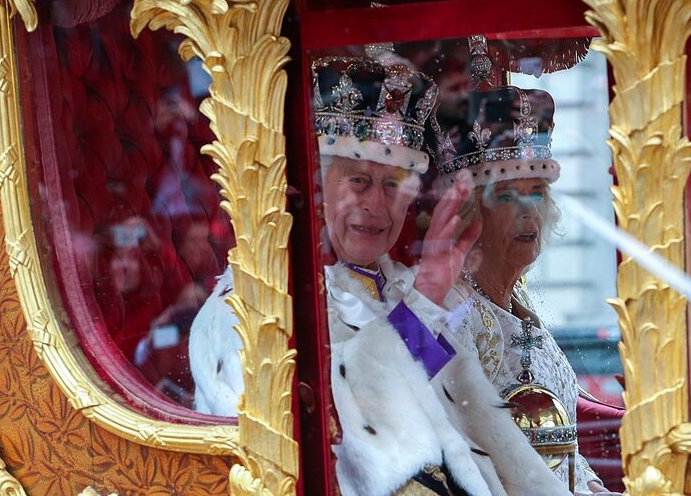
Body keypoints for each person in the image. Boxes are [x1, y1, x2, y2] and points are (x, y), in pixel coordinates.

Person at [191, 57, 567, 496]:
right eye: (359, 181)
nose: (376, 205)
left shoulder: (399, 291)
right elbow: (356, 446)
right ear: (317, 185)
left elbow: (480, 434)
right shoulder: (254, 304)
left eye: (393, 186)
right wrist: (425, 299)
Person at [432, 86, 616, 495]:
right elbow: (470, 457)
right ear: (470, 212)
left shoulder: (521, 304)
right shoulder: (454, 312)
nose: (528, 210)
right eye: (507, 196)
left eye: (536, 193)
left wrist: (593, 488)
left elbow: (558, 447)